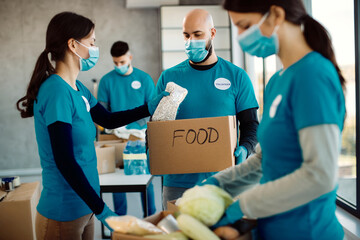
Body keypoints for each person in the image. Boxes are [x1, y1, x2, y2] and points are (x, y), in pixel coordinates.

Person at [198, 0, 346, 239]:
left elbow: (320, 175)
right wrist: (218, 184)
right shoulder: (277, 81)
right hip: (272, 229)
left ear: (276, 14)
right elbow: (264, 160)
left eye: (244, 26)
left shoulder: (313, 76)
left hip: (309, 232)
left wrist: (243, 206)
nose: (240, 37)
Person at [15, 12, 167, 239]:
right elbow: (64, 160)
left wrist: (149, 107)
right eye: (92, 41)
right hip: (63, 210)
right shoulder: (56, 91)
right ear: (73, 45)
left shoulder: (78, 88)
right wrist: (102, 209)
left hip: (86, 206)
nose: (95, 47)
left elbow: (107, 119)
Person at [155, 9, 259, 209]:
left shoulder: (237, 77)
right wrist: (152, 148)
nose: (190, 41)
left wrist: (245, 148)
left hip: (224, 181)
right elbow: (157, 125)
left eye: (197, 34)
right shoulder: (168, 78)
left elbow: (251, 125)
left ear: (212, 33)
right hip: (177, 183)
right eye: (186, 35)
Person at [97, 41, 156, 217]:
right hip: (116, 136)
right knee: (117, 181)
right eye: (115, 63)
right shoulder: (107, 81)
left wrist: (136, 126)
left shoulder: (144, 79)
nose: (119, 66)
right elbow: (101, 111)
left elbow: (152, 109)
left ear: (130, 57)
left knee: (144, 179)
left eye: (122, 62)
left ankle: (151, 217)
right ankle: (121, 223)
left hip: (140, 136)